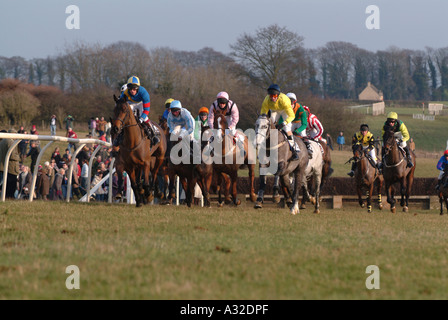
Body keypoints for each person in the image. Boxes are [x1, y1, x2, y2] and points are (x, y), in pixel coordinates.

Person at [260, 84, 299, 160]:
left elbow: (292, 116)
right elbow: (263, 114)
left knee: (287, 129)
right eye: (271, 96)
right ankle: (264, 148)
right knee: (267, 125)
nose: (273, 98)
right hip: (274, 111)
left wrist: (283, 123)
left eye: (274, 96)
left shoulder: (284, 100)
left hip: (284, 111)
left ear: (277, 95)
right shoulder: (266, 100)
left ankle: (294, 150)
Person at [119, 75, 159, 145]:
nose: (132, 91)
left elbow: (146, 110)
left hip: (141, 103)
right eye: (130, 89)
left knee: (144, 117)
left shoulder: (144, 93)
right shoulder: (125, 93)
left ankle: (153, 134)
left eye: (134, 89)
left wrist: (141, 119)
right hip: (131, 103)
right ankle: (119, 136)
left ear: (138, 88)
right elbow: (120, 104)